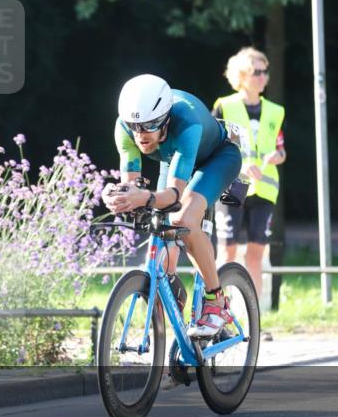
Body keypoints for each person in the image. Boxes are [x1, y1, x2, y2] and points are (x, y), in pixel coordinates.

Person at [102, 74, 242, 338]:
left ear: (165, 119)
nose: (140, 135)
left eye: (149, 125)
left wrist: (144, 197)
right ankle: (172, 295)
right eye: (134, 126)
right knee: (161, 229)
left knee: (183, 219)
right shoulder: (124, 128)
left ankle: (216, 301)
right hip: (175, 158)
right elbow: (132, 186)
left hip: (217, 158)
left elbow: (175, 195)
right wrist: (119, 196)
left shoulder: (186, 122)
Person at [212, 48, 286, 297]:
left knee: (256, 255)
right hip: (234, 184)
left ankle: (254, 312)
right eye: (257, 72)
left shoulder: (275, 111)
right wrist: (241, 166)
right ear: (242, 75)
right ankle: (216, 307)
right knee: (227, 251)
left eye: (265, 71)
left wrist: (278, 156)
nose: (263, 77)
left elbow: (281, 149)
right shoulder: (226, 106)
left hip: (265, 188)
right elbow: (214, 146)